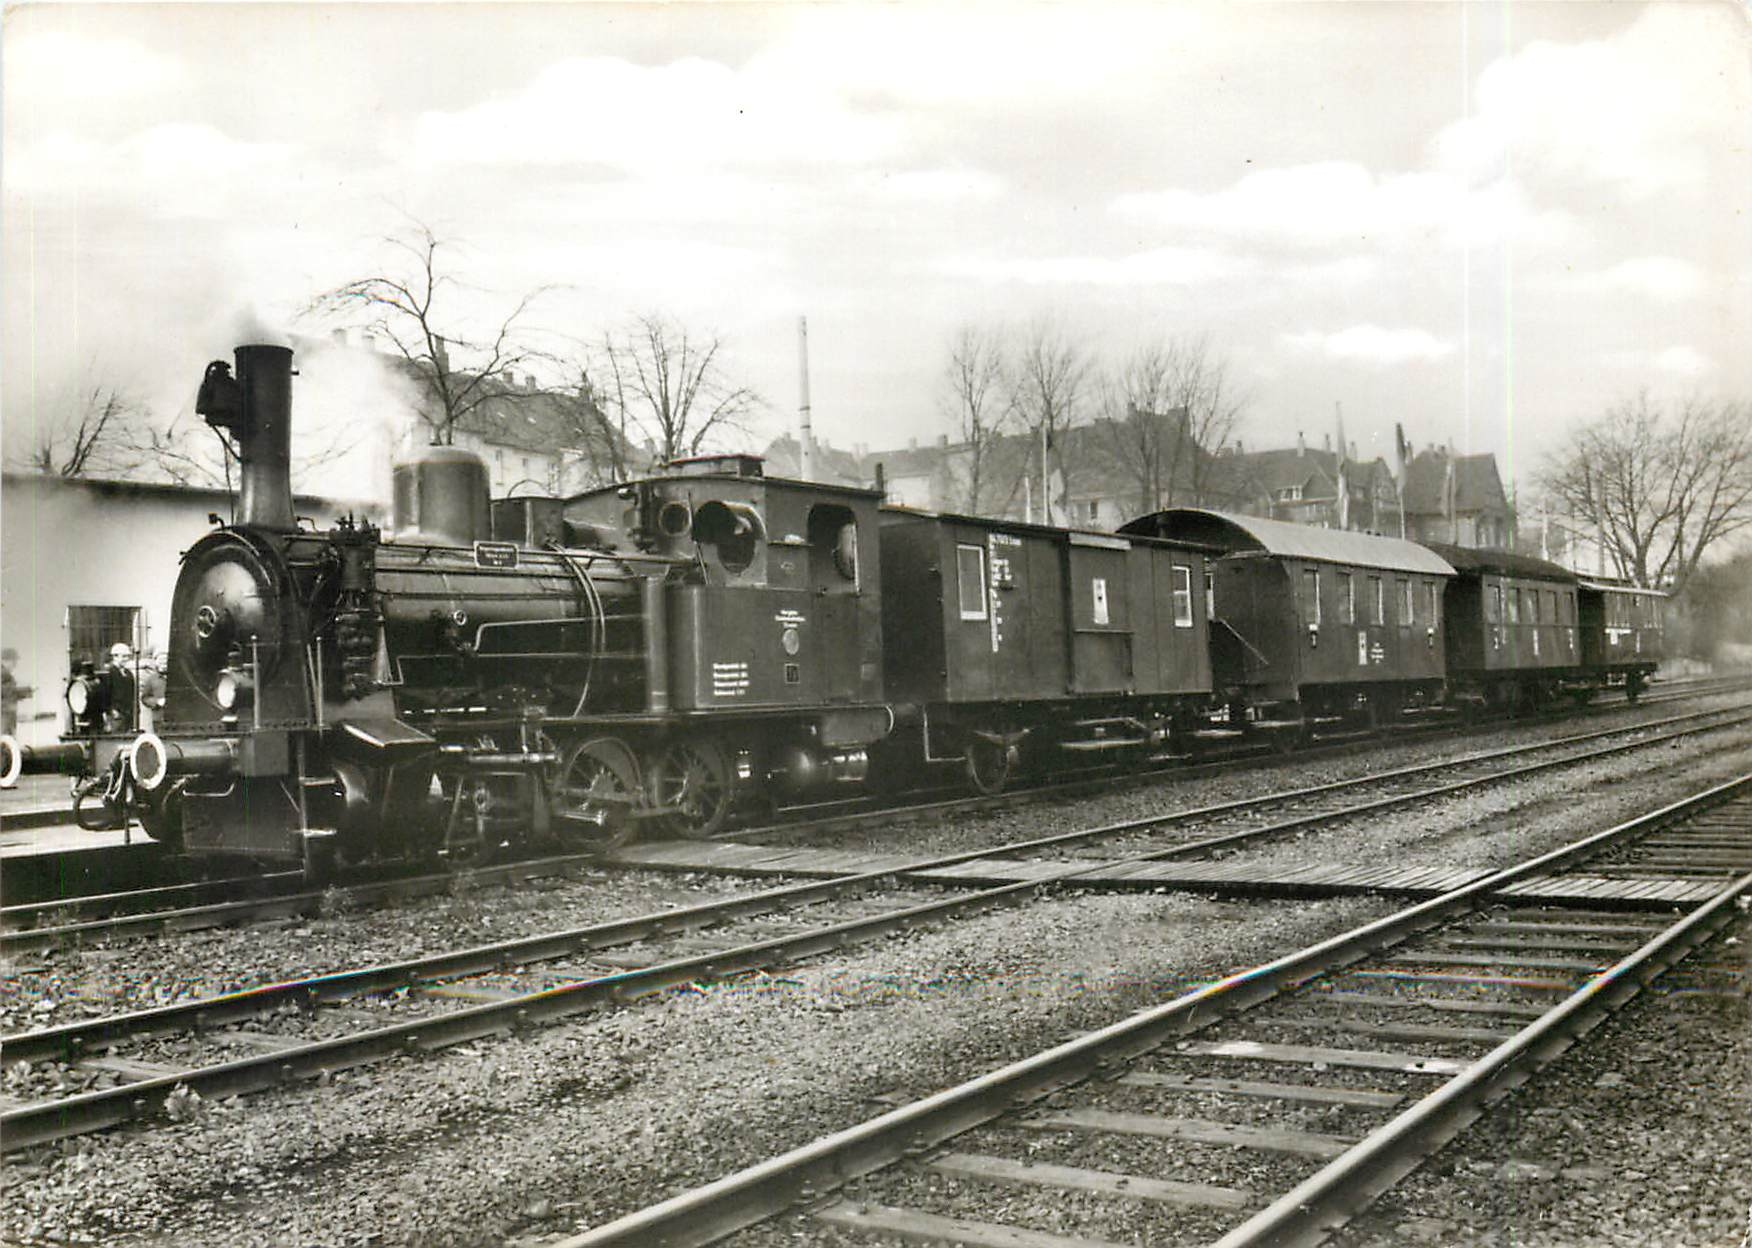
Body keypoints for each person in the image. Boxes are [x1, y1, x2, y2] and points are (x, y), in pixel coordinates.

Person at [104, 642, 138, 733]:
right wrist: (111, 710)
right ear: (115, 656)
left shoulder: (128, 673)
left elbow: (132, 693)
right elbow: (106, 694)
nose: (126, 659)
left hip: (128, 713)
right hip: (116, 713)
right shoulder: (109, 673)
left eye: (127, 656)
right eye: (124, 656)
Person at [0, 647, 30, 736]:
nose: (15, 664)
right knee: (7, 741)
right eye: (14, 661)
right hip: (5, 715)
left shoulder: (5, 675)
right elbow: (8, 693)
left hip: (7, 714)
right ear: (5, 661)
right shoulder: (4, 675)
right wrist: (26, 692)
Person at [138, 654, 168, 732]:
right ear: (156, 664)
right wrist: (157, 701)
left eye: (165, 663)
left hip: (176, 718)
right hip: (159, 718)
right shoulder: (152, 679)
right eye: (161, 663)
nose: (163, 665)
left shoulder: (176, 678)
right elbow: (144, 697)